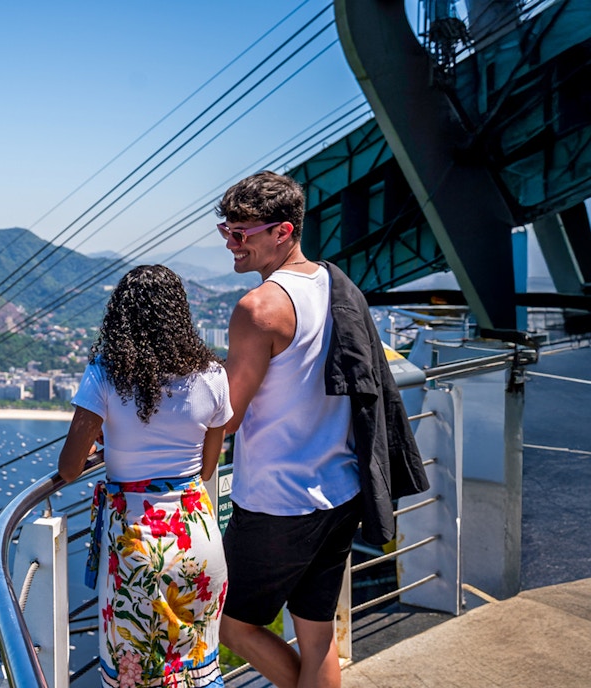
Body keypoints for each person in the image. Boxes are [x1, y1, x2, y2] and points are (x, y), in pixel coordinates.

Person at [215, 171, 428, 688]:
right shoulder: (338, 285)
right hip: (339, 490)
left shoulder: (258, 308)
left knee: (228, 622)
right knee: (316, 635)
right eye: (226, 231)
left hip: (277, 502)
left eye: (241, 233)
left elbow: (226, 415)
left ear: (282, 231)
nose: (230, 244)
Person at [59, 264, 233, 688]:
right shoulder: (212, 375)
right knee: (195, 670)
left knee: (134, 677)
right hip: (198, 539)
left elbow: (68, 468)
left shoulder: (104, 374)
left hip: (136, 546)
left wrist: (110, 442)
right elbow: (207, 467)